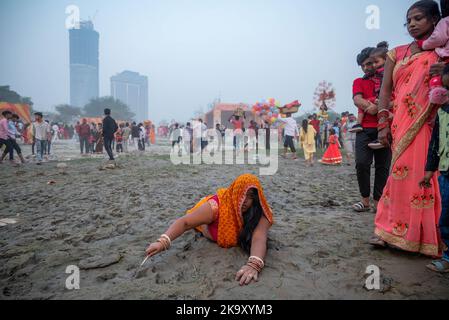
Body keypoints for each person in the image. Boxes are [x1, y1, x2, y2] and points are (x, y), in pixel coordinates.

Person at [370, 0, 443, 258]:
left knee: (423, 175)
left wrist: (444, 71)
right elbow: (386, 91)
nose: (412, 24)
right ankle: (386, 230)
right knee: (398, 174)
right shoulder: (396, 53)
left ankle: (421, 236)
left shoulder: (442, 52)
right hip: (400, 123)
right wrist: (382, 124)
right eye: (409, 20)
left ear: (435, 20)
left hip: (428, 123)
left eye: (418, 18)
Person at [145, 174, 274, 286]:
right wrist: (162, 241)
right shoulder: (216, 207)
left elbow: (259, 237)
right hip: (205, 213)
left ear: (256, 199)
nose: (244, 201)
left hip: (213, 217)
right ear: (235, 192)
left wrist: (253, 264)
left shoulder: (261, 212)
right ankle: (203, 200)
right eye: (241, 194)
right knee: (196, 213)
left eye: (250, 196)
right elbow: (185, 222)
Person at [351, 44, 392, 213]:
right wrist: (373, 107)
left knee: (383, 166)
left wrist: (382, 105)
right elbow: (357, 100)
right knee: (361, 163)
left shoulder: (388, 79)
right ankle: (365, 200)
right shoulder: (358, 82)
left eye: (370, 63)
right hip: (365, 129)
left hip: (385, 127)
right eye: (363, 65)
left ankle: (377, 202)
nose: (367, 67)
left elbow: (396, 98)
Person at [420, 65, 449, 272]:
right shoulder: (442, 112)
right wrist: (430, 170)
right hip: (446, 172)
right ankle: (448, 257)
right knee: (447, 215)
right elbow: (435, 143)